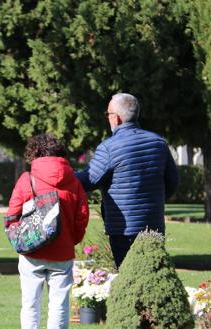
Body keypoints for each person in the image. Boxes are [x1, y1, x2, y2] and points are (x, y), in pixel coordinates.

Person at [5, 134, 89, 329]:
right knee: (59, 301)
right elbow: (82, 217)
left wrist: (17, 237)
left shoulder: (27, 179)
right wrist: (72, 239)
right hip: (62, 252)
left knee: (30, 301)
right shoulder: (74, 181)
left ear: (35, 153)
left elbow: (12, 214)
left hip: (32, 250)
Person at [76, 93, 178, 268]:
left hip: (123, 229)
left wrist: (62, 172)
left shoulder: (109, 147)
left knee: (127, 279)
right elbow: (172, 182)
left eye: (108, 114)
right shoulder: (159, 143)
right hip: (154, 225)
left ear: (116, 118)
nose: (108, 118)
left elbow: (88, 181)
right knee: (152, 276)